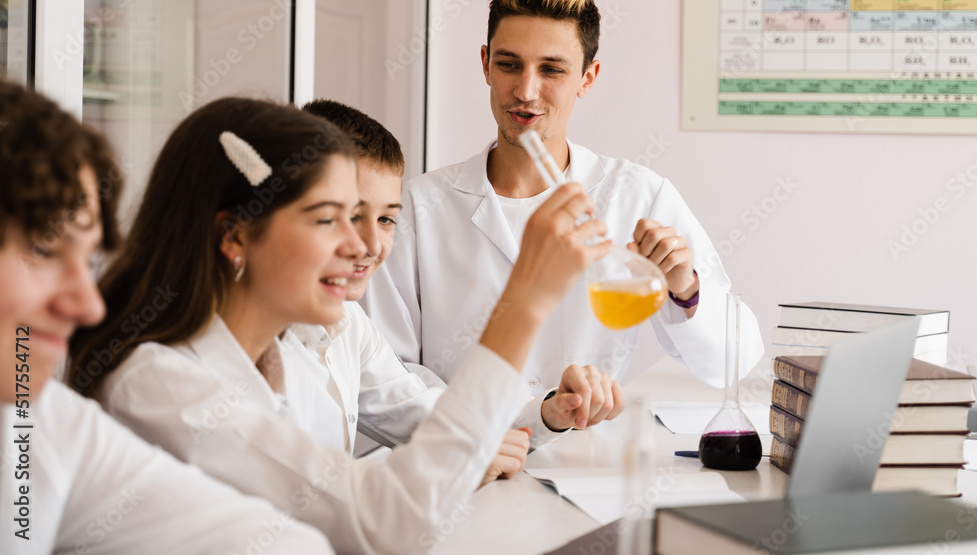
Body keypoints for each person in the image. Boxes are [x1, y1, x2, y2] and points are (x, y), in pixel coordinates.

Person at [67, 97, 612, 555]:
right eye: (330, 219)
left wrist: (526, 420)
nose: (363, 248)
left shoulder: (279, 349)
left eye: (378, 218)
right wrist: (524, 301)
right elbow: (381, 516)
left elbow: (391, 463)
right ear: (235, 236)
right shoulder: (159, 383)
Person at [363, 0, 764, 392]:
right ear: (485, 65)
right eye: (509, 65)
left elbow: (732, 363)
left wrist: (685, 288)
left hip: (583, 453)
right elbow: (384, 370)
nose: (526, 91)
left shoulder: (638, 197)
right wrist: (476, 432)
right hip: (463, 453)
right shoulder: (418, 209)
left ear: (587, 78)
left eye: (552, 69)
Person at [0, 81, 332, 554]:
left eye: (87, 259)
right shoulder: (147, 380)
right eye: (43, 250)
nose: (86, 305)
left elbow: (283, 545)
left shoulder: (42, 420)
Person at [302, 99, 624, 456]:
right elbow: (339, 495)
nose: (373, 245)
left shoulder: (348, 325)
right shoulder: (257, 356)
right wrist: (529, 296)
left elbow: (435, 420)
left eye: (386, 220)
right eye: (348, 216)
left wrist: (548, 412)